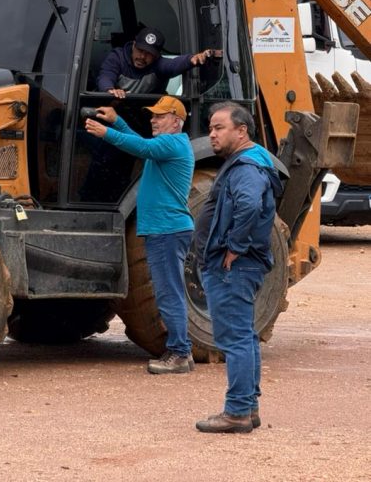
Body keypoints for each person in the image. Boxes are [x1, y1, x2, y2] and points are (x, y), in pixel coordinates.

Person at [84, 95, 195, 374]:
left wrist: (106, 132)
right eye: (152, 115)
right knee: (168, 292)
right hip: (164, 230)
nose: (153, 120)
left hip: (167, 230)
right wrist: (117, 121)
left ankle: (181, 353)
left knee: (169, 294)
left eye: (159, 116)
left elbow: (140, 146)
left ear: (175, 121)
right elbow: (141, 144)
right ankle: (178, 350)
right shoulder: (166, 145)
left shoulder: (172, 143)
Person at [194, 102, 282, 434]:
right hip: (239, 266)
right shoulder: (247, 163)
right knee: (243, 336)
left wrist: (234, 246)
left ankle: (237, 411)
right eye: (211, 128)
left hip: (234, 266)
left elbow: (248, 204)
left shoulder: (246, 167)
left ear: (241, 131)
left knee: (235, 339)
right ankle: (249, 405)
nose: (211, 134)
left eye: (219, 128)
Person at [96, 27, 214, 97]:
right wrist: (110, 90)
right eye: (140, 50)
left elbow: (174, 64)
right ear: (133, 45)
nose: (142, 56)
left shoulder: (159, 65)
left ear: (156, 55)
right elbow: (106, 76)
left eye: (149, 53)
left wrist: (192, 59)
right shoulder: (117, 57)